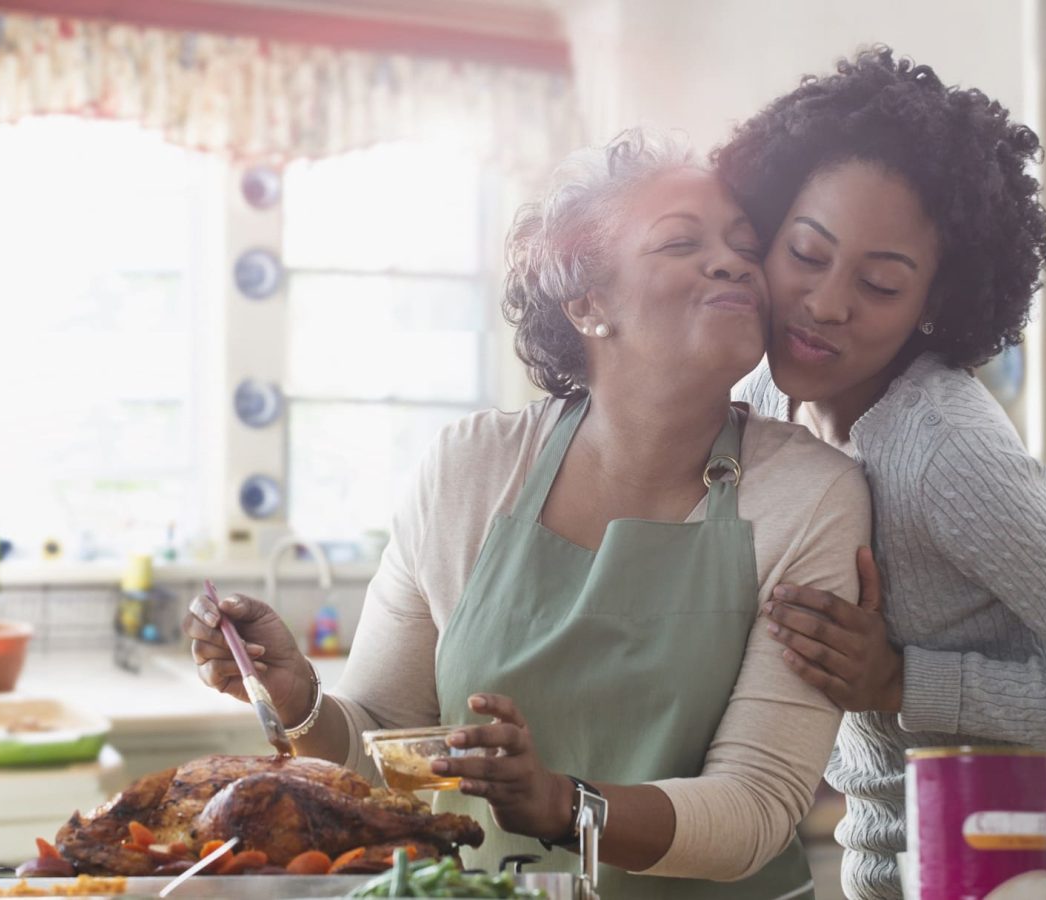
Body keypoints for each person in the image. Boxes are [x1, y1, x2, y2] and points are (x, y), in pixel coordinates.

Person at [184, 129, 871, 899]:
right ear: (587, 303)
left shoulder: (810, 496)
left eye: (745, 245)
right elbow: (387, 746)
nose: (733, 260)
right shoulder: (470, 470)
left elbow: (755, 812)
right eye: (682, 242)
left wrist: (564, 804)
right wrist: (298, 699)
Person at [714, 47, 1046, 899]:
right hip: (882, 869)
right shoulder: (760, 396)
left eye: (881, 284)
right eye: (806, 253)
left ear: (937, 302)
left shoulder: (943, 449)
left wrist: (899, 680)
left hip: (1026, 876)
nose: (826, 303)